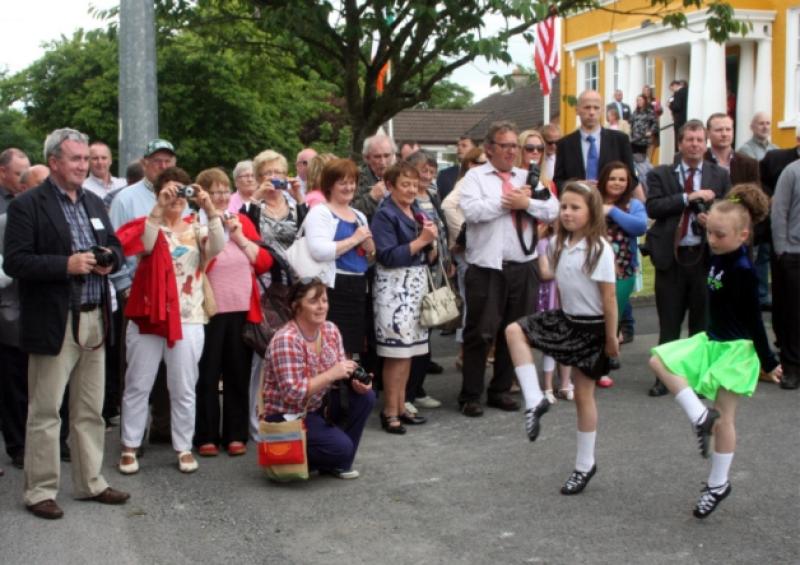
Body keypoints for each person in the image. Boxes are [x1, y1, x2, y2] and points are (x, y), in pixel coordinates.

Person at [4, 128, 129, 519]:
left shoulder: (93, 201)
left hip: (94, 317)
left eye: (86, 159)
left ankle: (91, 481)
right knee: (45, 410)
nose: (84, 165)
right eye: (76, 159)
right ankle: (39, 490)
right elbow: (15, 262)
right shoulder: (29, 206)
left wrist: (110, 256)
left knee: (90, 409)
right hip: (54, 321)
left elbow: (117, 247)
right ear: (54, 162)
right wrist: (65, 265)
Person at [648, 184, 781, 518]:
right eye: (709, 233)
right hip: (712, 342)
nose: (712, 240)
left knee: (726, 419)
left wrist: (769, 361)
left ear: (743, 235)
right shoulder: (718, 256)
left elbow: (754, 320)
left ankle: (718, 483)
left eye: (720, 235)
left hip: (736, 350)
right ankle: (698, 415)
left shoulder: (744, 271)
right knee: (658, 359)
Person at [504, 181, 618, 495]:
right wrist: (537, 240)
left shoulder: (599, 249)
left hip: (592, 328)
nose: (566, 213)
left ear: (591, 212)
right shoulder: (558, 244)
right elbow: (547, 273)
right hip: (565, 320)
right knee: (514, 331)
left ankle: (584, 465)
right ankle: (535, 398)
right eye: (564, 207)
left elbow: (609, 299)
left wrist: (611, 338)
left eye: (574, 208)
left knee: (584, 396)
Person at [117, 166, 224, 475]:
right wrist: (159, 207)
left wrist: (209, 209)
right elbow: (146, 246)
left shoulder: (198, 228)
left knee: (184, 386)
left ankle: (183, 447)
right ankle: (129, 445)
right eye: (170, 191)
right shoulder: (147, 223)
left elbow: (217, 246)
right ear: (159, 192)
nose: (177, 197)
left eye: (182, 191)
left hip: (188, 317)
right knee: (139, 383)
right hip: (149, 316)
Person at [458, 121, 559, 417]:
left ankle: (501, 389)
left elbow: (552, 209)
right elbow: (473, 211)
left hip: (523, 266)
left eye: (515, 146)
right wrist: (508, 203)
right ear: (489, 148)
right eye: (506, 146)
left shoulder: (527, 177)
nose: (512, 151)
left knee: (513, 331)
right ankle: (470, 394)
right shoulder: (476, 177)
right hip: (488, 267)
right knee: (481, 332)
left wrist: (526, 201)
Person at [645, 120, 731, 397]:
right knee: (669, 322)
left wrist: (713, 218)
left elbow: (729, 210)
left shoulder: (719, 175)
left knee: (702, 322)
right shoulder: (661, 174)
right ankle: (664, 378)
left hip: (704, 258)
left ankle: (697, 378)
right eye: (689, 139)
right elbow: (654, 207)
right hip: (672, 258)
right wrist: (687, 197)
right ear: (680, 143)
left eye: (699, 140)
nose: (694, 144)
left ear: (705, 143)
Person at [194, 168, 273, 457]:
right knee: (207, 374)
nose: (221, 196)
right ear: (202, 196)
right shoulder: (195, 224)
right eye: (214, 192)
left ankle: (236, 433)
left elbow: (264, 263)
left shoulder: (242, 221)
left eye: (225, 190)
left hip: (242, 308)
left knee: (238, 373)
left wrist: (240, 238)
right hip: (210, 310)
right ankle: (206, 434)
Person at [261, 278, 375, 479]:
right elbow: (292, 394)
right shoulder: (286, 339)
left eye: (324, 300)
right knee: (342, 448)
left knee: (366, 397)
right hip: (287, 416)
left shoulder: (330, 329)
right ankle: (289, 456)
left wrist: (356, 383)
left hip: (317, 408)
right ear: (296, 306)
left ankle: (337, 459)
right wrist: (332, 374)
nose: (322, 306)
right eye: (314, 301)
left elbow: (342, 369)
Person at [109, 139, 181, 444]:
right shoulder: (126, 199)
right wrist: (123, 285)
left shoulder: (182, 197)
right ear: (145, 163)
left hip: (175, 295)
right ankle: (132, 438)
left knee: (172, 368)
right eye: (156, 161)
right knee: (137, 370)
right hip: (140, 292)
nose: (162, 166)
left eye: (168, 161)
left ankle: (164, 427)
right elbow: (114, 245)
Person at [371, 162, 436, 433]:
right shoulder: (385, 214)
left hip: (416, 286)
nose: (411, 189)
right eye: (405, 184)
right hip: (394, 289)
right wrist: (422, 241)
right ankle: (389, 411)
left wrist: (431, 246)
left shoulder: (416, 209)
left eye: (414, 184)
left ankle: (401, 406)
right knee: (395, 353)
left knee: (408, 353)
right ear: (390, 186)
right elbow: (387, 255)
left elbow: (426, 247)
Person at [304, 158, 374, 356]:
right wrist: (354, 239)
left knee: (350, 347)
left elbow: (369, 253)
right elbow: (319, 251)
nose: (349, 187)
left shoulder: (359, 214)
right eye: (342, 182)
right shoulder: (320, 212)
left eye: (352, 182)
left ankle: (345, 385)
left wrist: (370, 248)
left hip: (357, 285)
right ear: (329, 185)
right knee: (331, 347)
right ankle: (332, 386)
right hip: (333, 287)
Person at [596, 162, 648, 388]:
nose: (617, 183)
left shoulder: (633, 204)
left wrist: (613, 211)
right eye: (612, 178)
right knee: (594, 316)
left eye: (622, 179)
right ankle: (593, 362)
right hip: (594, 269)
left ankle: (605, 360)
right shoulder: (593, 201)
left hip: (623, 269)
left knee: (612, 315)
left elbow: (639, 227)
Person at [441, 148, 487, 369]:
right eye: (481, 162)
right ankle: (463, 354)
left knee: (476, 303)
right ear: (470, 164)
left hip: (473, 250)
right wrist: (464, 235)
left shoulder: (476, 179)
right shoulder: (468, 180)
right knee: (471, 302)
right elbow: (448, 205)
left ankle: (467, 353)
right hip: (468, 252)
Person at [553, 90, 636, 193]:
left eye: (596, 108)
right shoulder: (564, 144)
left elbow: (632, 178)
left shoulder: (620, 141)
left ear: (602, 111)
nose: (592, 112)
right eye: (587, 107)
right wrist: (576, 185)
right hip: (578, 202)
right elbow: (558, 181)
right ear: (577, 110)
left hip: (612, 204)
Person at [533, 223, 574, 404]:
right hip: (551, 297)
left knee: (568, 340)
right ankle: (548, 385)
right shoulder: (544, 242)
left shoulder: (573, 242)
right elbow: (544, 272)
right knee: (552, 341)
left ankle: (565, 383)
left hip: (569, 296)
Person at [771, 158, 800, 390]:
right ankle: (791, 367)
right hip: (793, 253)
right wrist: (782, 249)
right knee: (793, 314)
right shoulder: (791, 172)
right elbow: (779, 211)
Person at [252, 149, 306, 262]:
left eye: (278, 172)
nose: (273, 177)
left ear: (285, 176)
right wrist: (256, 196)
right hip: (265, 273)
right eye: (267, 173)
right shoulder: (253, 207)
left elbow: (308, 234)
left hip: (295, 273)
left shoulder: (294, 206)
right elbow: (249, 235)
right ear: (258, 178)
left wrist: (299, 198)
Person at [704, 113, 759, 185]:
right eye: (719, 130)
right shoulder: (700, 160)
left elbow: (754, 194)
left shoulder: (749, 164)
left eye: (728, 129)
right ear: (708, 133)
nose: (724, 134)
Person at [352, 134, 396, 221]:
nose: (383, 162)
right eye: (377, 157)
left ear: (393, 156)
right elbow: (348, 211)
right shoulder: (355, 178)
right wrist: (371, 198)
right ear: (366, 158)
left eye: (387, 156)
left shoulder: (401, 176)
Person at [437, 135, 476, 200]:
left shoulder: (482, 174)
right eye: (458, 145)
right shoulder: (445, 175)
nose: (459, 148)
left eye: (464, 146)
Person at [227, 160, 259, 225]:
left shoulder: (265, 200)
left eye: (253, 176)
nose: (250, 179)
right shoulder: (228, 201)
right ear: (236, 182)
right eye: (246, 176)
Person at [629, 95, 658, 162]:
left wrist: (651, 131)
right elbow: (630, 122)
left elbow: (655, 123)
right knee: (634, 159)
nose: (639, 102)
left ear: (644, 101)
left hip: (644, 139)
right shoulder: (635, 112)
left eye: (640, 100)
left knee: (643, 160)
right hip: (635, 139)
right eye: (637, 100)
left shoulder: (649, 112)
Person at [668, 80, 688, 151]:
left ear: (675, 85)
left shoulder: (678, 93)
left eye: (672, 89)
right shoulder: (688, 91)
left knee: (679, 140)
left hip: (679, 121)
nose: (672, 91)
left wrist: (670, 105)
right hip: (687, 119)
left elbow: (676, 107)